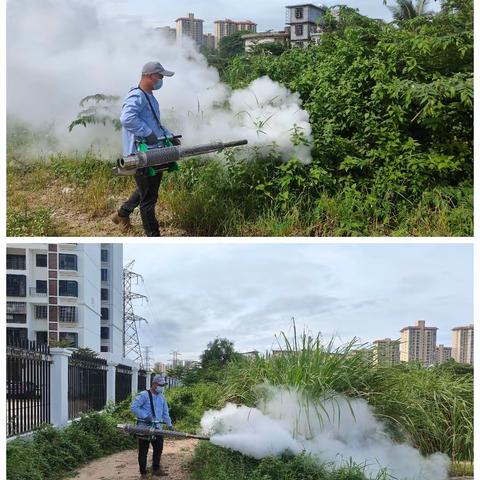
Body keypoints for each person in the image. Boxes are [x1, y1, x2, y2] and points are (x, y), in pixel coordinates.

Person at [112, 61, 180, 237]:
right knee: (149, 199)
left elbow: (156, 124)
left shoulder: (150, 97)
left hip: (154, 151)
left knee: (147, 189)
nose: (161, 80)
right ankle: (153, 235)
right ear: (150, 76)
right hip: (141, 154)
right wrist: (147, 132)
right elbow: (127, 119)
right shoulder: (137, 96)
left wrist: (169, 136)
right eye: (160, 76)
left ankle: (122, 214)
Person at [131, 375, 173, 478]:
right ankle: (143, 473)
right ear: (154, 384)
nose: (162, 387)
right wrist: (145, 416)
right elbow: (134, 407)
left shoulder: (162, 397)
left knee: (158, 449)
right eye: (160, 385)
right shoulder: (144, 395)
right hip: (145, 428)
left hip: (158, 428)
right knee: (143, 451)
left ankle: (156, 469)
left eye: (163, 385)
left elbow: (165, 412)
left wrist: (169, 424)